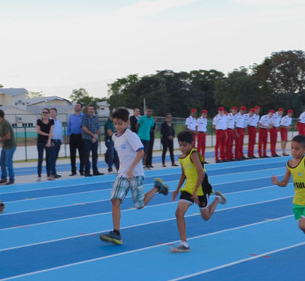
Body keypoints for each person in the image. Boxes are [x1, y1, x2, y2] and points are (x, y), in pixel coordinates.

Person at [99, 107, 169, 245]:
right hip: (122, 174)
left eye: (120, 123)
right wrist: (121, 169)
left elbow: (141, 152)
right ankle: (116, 233)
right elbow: (122, 155)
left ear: (127, 123)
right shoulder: (114, 137)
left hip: (135, 173)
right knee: (115, 200)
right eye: (115, 123)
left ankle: (157, 187)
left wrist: (131, 168)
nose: (117, 126)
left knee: (139, 205)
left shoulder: (131, 136)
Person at [168, 131, 226, 253]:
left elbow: (201, 173)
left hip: (201, 189)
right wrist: (177, 189)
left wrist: (195, 192)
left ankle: (217, 199)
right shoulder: (181, 157)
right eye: (180, 145)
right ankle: (184, 244)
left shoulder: (194, 154)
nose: (182, 148)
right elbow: (183, 174)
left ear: (191, 144)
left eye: (184, 145)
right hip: (188, 188)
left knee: (206, 216)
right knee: (178, 213)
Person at [0, 109, 16, 185]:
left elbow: (7, 136)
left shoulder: (5, 123)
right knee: (2, 162)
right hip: (5, 146)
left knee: (8, 163)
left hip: (10, 146)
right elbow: (2, 134)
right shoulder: (0, 124)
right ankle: (4, 178)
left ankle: (11, 178)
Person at [81, 104, 102, 176]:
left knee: (95, 155)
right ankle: (87, 172)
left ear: (94, 110)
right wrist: (92, 135)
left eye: (92, 109)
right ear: (87, 110)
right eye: (89, 109)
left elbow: (98, 128)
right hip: (86, 139)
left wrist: (95, 136)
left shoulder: (96, 117)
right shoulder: (84, 117)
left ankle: (95, 171)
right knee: (86, 156)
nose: (91, 110)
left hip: (94, 139)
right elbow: (84, 127)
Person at [36, 108, 53, 180]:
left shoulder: (51, 121)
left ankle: (48, 175)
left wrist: (49, 141)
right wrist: (47, 134)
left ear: (49, 113)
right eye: (43, 112)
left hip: (47, 141)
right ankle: (39, 176)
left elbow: (51, 131)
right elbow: (38, 131)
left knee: (48, 159)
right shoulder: (39, 121)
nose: (44, 114)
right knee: (40, 159)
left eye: (46, 112)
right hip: (40, 141)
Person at [68, 102, 84, 176]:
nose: (76, 107)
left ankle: (81, 170)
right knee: (72, 155)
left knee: (82, 154)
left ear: (81, 108)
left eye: (78, 106)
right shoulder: (71, 116)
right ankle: (73, 171)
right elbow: (69, 127)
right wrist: (67, 137)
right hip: (73, 136)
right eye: (75, 106)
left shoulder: (83, 116)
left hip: (81, 137)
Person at [47, 107, 63, 179]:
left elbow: (60, 131)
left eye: (53, 112)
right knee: (52, 158)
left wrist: (61, 140)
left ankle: (53, 172)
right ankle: (52, 173)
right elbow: (48, 132)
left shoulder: (58, 121)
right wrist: (50, 141)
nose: (52, 113)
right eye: (51, 112)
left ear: (56, 113)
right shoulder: (49, 121)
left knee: (55, 157)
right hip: (52, 141)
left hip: (58, 141)